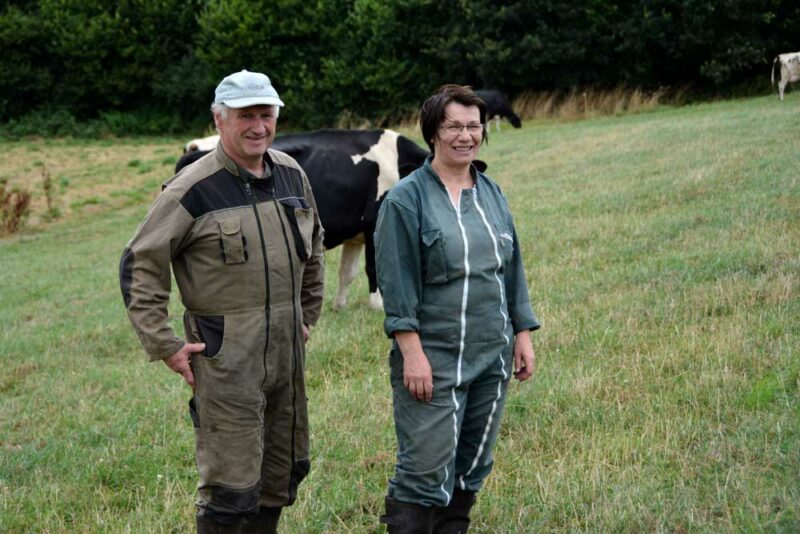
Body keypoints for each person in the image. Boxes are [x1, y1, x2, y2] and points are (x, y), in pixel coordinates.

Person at [119, 70, 325, 533]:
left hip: (287, 358)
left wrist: (306, 315)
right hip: (227, 361)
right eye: (244, 116)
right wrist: (166, 344)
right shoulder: (191, 188)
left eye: (265, 115)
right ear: (219, 120)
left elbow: (315, 249)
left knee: (281, 475)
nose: (258, 126)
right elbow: (139, 263)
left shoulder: (292, 174)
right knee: (231, 493)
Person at [374, 84, 540, 533]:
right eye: (454, 126)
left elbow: (511, 267)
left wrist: (521, 332)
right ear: (433, 133)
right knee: (425, 470)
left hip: (492, 354)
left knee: (471, 466)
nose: (466, 136)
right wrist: (412, 353)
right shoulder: (405, 200)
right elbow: (396, 283)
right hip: (436, 357)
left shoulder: (491, 193)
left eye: (473, 126)